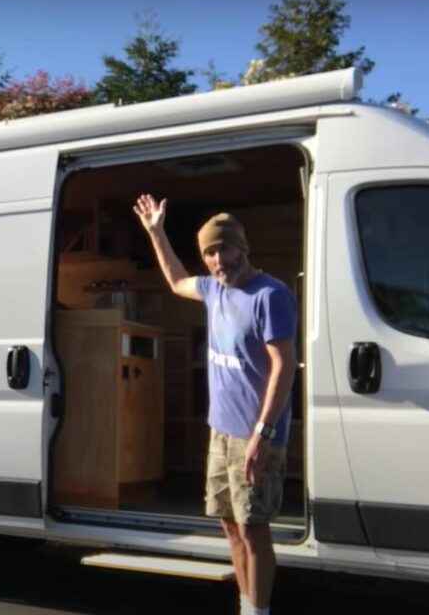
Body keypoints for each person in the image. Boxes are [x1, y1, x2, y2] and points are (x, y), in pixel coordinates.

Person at [133, 194, 297, 615]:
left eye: (223, 248)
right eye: (208, 252)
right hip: (221, 431)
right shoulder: (212, 290)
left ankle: (259, 611)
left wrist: (264, 432)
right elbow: (174, 279)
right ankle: (246, 606)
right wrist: (156, 231)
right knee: (229, 526)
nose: (217, 259)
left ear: (242, 248)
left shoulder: (270, 295)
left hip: (256, 434)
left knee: (252, 527)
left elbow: (284, 367)